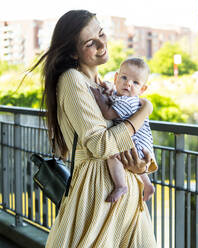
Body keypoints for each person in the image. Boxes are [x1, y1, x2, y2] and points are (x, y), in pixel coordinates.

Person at [28, 10, 157, 247]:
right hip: (98, 197)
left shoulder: (107, 85)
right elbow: (101, 145)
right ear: (72, 52)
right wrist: (144, 111)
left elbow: (125, 139)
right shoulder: (72, 80)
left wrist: (140, 167)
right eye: (90, 43)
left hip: (126, 201)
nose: (101, 44)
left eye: (101, 34)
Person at [91, 57, 157, 202]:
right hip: (138, 141)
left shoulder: (130, 101)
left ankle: (121, 185)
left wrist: (98, 96)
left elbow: (108, 113)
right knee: (124, 153)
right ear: (116, 77)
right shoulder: (119, 96)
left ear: (142, 89)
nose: (128, 84)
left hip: (137, 143)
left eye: (135, 82)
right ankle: (147, 184)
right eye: (124, 77)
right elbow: (111, 96)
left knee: (112, 154)